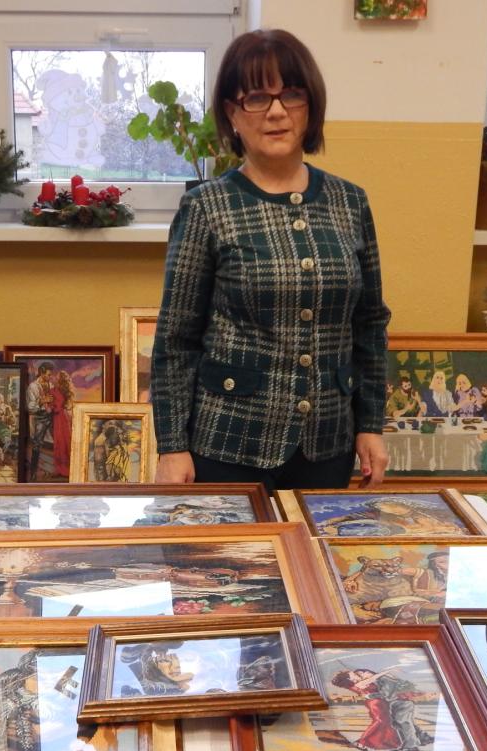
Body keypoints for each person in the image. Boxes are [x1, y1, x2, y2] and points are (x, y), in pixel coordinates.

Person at [151, 29, 390, 491]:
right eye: (258, 97)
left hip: (328, 444)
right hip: (227, 445)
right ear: (232, 113)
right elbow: (176, 339)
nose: (277, 111)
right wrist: (172, 445)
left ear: (310, 105)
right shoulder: (206, 208)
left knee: (314, 542)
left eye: (292, 94)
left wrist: (371, 423)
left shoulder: (350, 203)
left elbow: (370, 324)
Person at [25, 362, 55, 479]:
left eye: (51, 375)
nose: (50, 377)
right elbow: (30, 407)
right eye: (48, 374)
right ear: (42, 372)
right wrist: (42, 401)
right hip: (40, 417)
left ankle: (56, 470)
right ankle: (33, 473)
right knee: (37, 444)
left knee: (58, 441)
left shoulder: (50, 385)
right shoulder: (33, 387)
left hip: (51, 415)